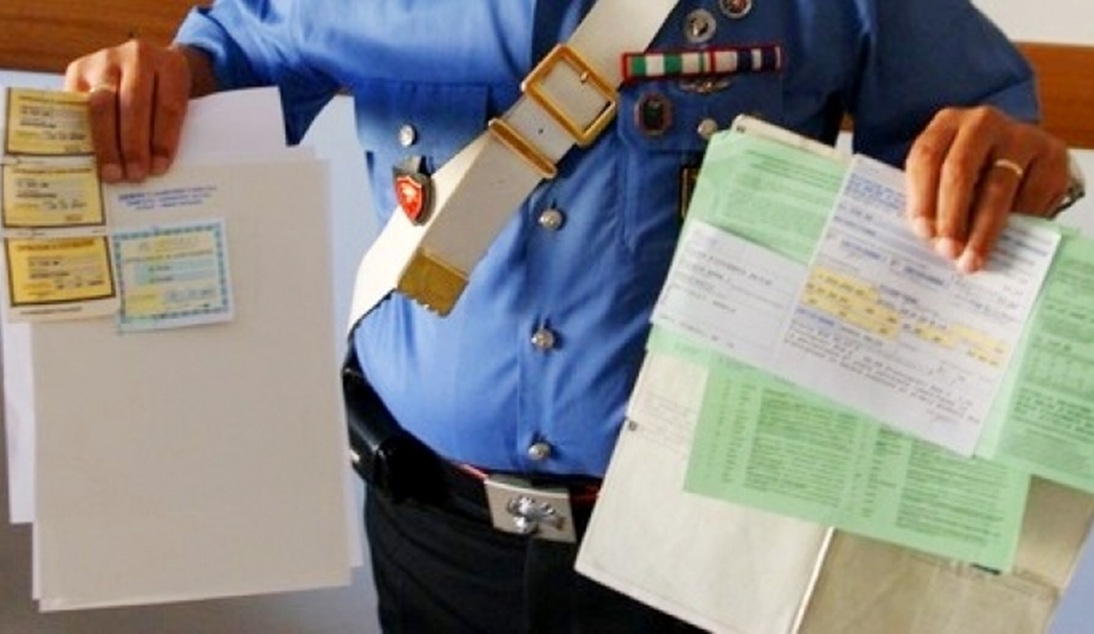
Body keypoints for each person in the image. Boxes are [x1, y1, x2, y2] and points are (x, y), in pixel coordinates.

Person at [65, 1, 1080, 632]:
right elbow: (245, 44)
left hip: (705, 552)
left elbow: (972, 138)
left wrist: (1000, 160)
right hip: (432, 530)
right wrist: (167, 77)